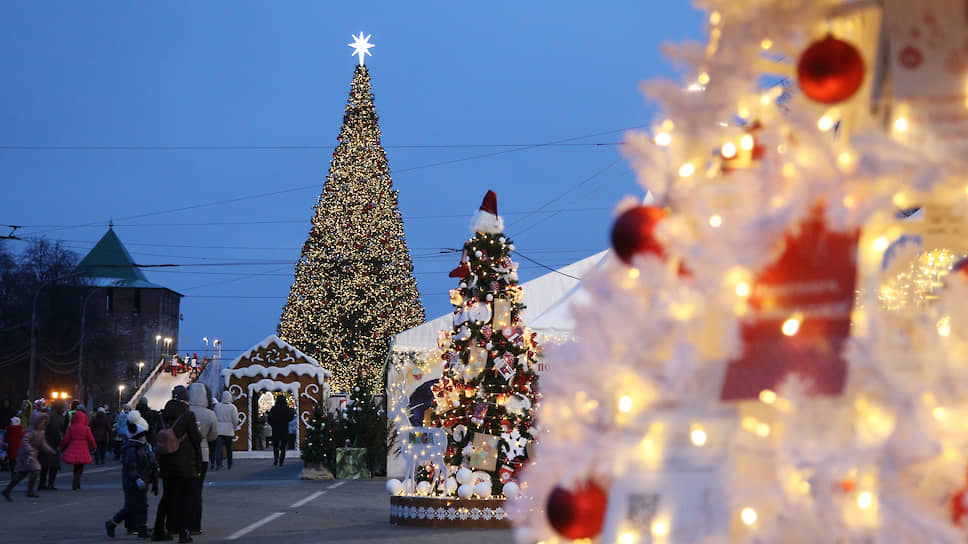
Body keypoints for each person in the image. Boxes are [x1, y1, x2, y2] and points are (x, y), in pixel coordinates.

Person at [153, 385, 202, 543]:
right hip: (184, 463)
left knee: (167, 497)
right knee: (184, 498)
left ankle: (158, 530)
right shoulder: (188, 415)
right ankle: (183, 533)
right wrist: (198, 462)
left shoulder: (162, 415)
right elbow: (196, 439)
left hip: (166, 462)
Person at [105, 410, 158, 538]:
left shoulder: (138, 446)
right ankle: (113, 523)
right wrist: (137, 478)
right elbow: (131, 466)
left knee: (140, 506)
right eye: (143, 435)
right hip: (134, 482)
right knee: (133, 507)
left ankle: (141, 527)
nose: (145, 437)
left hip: (138, 480)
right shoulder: (133, 449)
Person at [2, 412, 55, 500]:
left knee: (21, 474)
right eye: (41, 422)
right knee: (36, 469)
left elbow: (43, 443)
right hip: (27, 454)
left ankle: (7, 490)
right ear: (36, 422)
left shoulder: (41, 432)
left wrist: (50, 450)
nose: (43, 424)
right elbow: (25, 441)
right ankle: (30, 490)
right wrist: (29, 449)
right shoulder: (31, 431)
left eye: (44, 423)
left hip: (32, 454)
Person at [187, 383, 217, 536]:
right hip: (203, 455)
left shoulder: (185, 411)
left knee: (183, 490)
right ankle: (195, 525)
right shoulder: (209, 414)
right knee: (197, 491)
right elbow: (213, 436)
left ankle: (180, 523)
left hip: (185, 455)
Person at [60, 405, 96, 491]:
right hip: (83, 448)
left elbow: (66, 439)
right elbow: (91, 439)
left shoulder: (71, 428)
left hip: (72, 447)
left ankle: (75, 483)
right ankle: (77, 483)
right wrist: (94, 447)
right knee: (80, 467)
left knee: (75, 466)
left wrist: (61, 447)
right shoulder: (86, 428)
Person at [39, 399, 66, 490]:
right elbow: (57, 431)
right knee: (53, 466)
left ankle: (42, 483)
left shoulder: (49, 415)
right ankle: (50, 484)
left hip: (45, 443)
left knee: (44, 466)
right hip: (52, 444)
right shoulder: (56, 417)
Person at [213, 391, 239, 471]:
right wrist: (234, 427)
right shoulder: (232, 407)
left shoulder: (217, 406)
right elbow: (235, 419)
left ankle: (218, 464)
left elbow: (214, 417)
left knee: (218, 448)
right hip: (229, 430)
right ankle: (229, 463)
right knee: (229, 448)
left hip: (219, 429)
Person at [267, 395, 294, 467]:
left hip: (275, 429)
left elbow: (269, 419)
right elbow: (291, 417)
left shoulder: (273, 409)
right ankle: (281, 460)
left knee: (275, 446)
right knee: (283, 446)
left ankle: (276, 458)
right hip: (284, 428)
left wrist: (273, 424)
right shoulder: (286, 409)